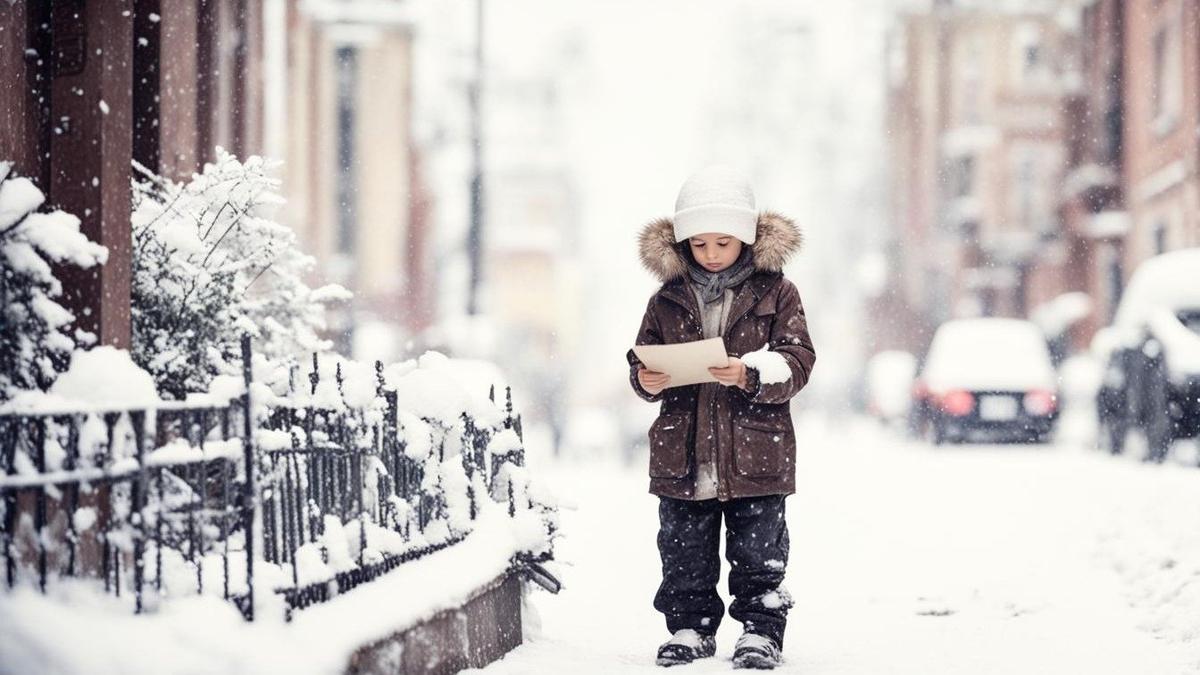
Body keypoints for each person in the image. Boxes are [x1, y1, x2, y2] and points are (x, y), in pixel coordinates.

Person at [626, 165, 816, 669]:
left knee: (759, 553)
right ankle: (690, 626)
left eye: (723, 242)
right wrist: (644, 379)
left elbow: (798, 361)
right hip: (683, 454)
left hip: (755, 452)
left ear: (747, 239)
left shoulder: (777, 292)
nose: (710, 253)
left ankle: (760, 629)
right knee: (684, 551)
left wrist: (749, 374)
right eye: (700, 243)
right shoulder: (666, 297)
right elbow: (643, 357)